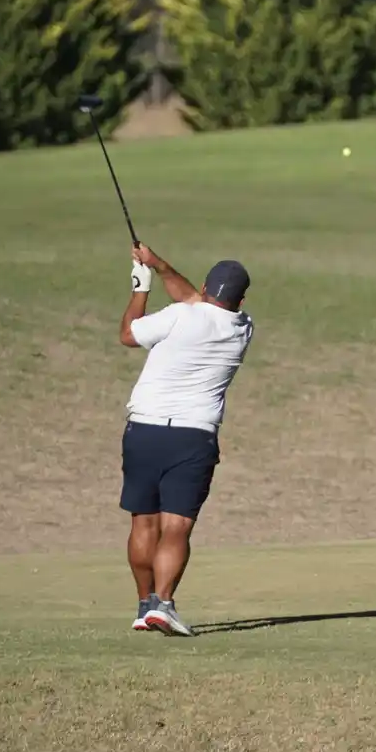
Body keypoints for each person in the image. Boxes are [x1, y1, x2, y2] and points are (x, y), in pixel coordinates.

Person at [119, 244, 254, 636]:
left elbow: (129, 334)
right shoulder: (243, 327)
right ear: (240, 300)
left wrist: (142, 285)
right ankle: (164, 604)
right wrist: (159, 264)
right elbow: (200, 304)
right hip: (193, 437)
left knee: (143, 522)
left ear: (205, 287)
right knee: (176, 527)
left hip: (143, 429)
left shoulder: (180, 315)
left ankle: (145, 607)